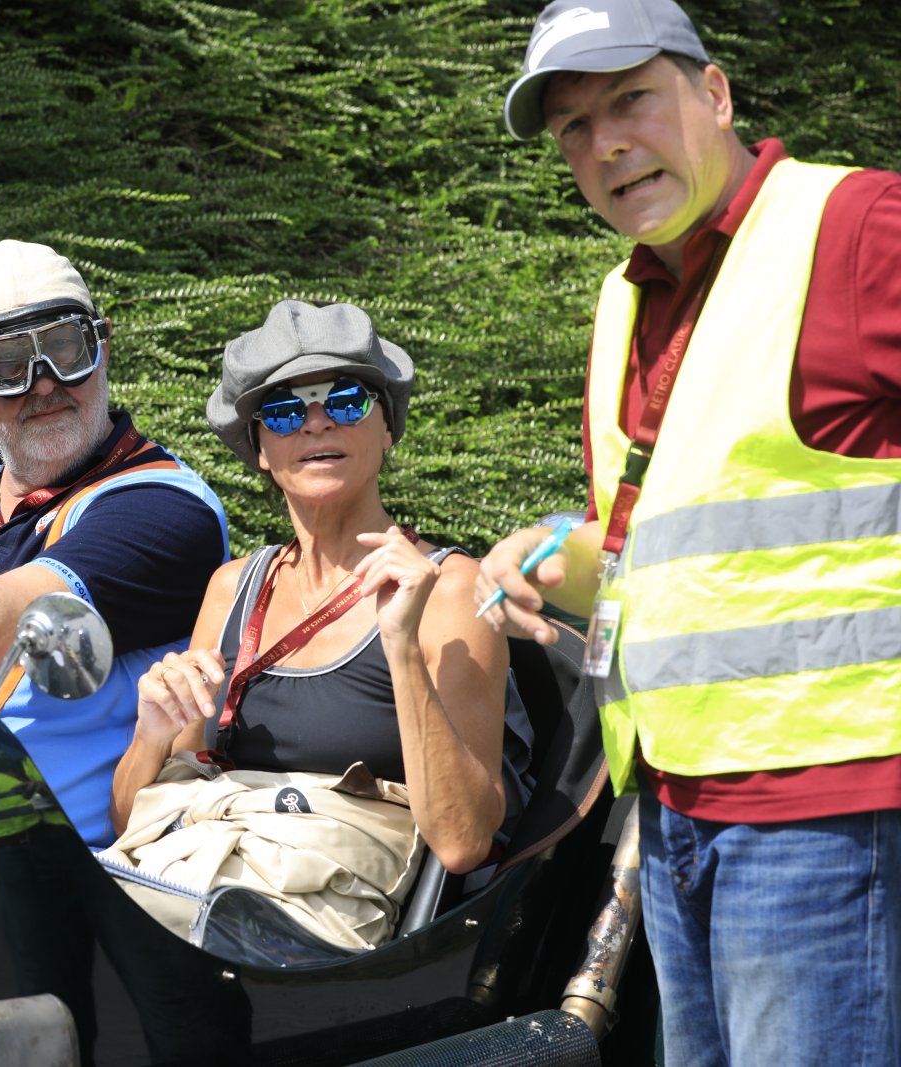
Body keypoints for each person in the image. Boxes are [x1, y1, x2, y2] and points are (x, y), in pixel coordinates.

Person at [479, 2, 901, 1062]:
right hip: (671, 812)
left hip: (829, 805)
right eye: (575, 126)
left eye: (631, 99)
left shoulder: (853, 226)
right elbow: (660, 543)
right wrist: (546, 554)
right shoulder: (625, 299)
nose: (607, 143)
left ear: (715, 93)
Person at [109, 299, 534, 947]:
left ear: (387, 427)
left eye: (346, 400)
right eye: (283, 410)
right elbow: (127, 825)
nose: (315, 422)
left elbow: (463, 842)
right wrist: (150, 733)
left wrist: (402, 649)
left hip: (311, 921)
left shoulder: (448, 590)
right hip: (188, 879)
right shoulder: (232, 589)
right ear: (259, 448)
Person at [0, 238, 228, 849]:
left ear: (103, 345)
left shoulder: (166, 508)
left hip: (53, 861)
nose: (43, 385)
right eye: (7, 363)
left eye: (65, 349)